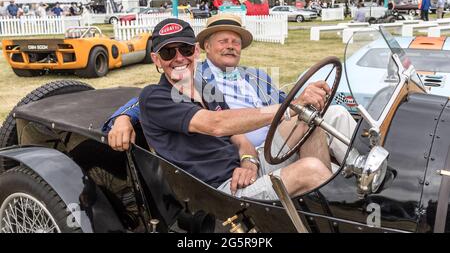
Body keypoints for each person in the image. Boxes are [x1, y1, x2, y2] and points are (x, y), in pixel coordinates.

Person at [105, 15, 356, 200]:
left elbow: (238, 134)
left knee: (315, 117)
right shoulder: (168, 90)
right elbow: (217, 124)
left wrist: (249, 160)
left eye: (183, 49)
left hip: (255, 159)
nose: (178, 57)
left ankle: (361, 177)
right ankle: (338, 203)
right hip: (221, 190)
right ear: (157, 59)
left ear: (194, 51)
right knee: (313, 169)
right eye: (168, 52)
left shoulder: (244, 78)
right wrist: (122, 117)